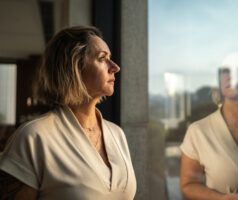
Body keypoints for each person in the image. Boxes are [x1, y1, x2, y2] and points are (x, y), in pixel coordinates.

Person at [0, 26, 136, 199]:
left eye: (111, 58)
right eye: (102, 58)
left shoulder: (117, 135)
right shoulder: (34, 137)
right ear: (74, 68)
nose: (115, 67)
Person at [180, 63, 238, 200]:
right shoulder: (198, 132)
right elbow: (188, 185)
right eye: (226, 70)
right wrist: (221, 198)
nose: (233, 76)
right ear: (219, 81)